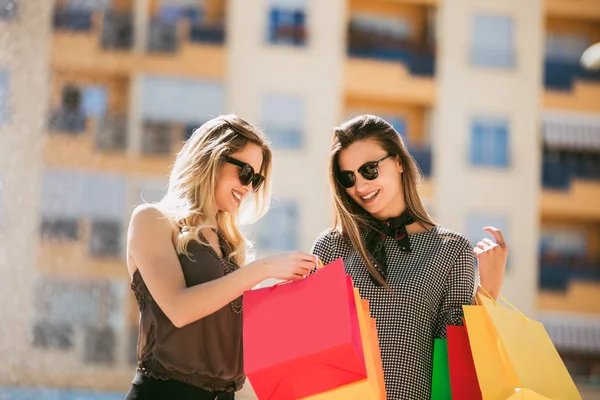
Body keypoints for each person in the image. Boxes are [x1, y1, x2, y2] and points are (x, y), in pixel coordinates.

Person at [310, 114, 508, 400]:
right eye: (347, 177)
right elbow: (313, 352)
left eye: (369, 169)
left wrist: (489, 291)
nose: (360, 186)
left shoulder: (451, 251)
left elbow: (456, 359)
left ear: (399, 161)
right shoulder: (331, 247)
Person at [124, 114, 317, 400]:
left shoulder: (229, 248)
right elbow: (178, 308)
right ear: (213, 158)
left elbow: (235, 344)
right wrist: (263, 268)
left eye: (257, 180)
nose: (250, 188)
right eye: (246, 174)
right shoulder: (152, 219)